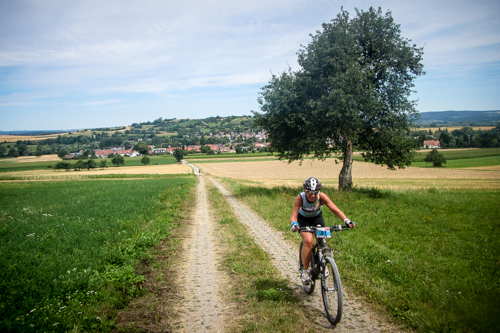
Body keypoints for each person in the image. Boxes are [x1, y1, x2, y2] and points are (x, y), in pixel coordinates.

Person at [290, 177, 355, 284]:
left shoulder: (322, 197)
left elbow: (335, 209)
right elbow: (294, 215)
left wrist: (346, 220)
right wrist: (294, 224)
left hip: (317, 218)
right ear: (305, 191)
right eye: (310, 193)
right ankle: (305, 271)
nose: (312, 195)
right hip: (303, 220)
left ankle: (322, 263)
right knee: (309, 242)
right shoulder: (300, 198)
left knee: (323, 240)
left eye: (315, 193)